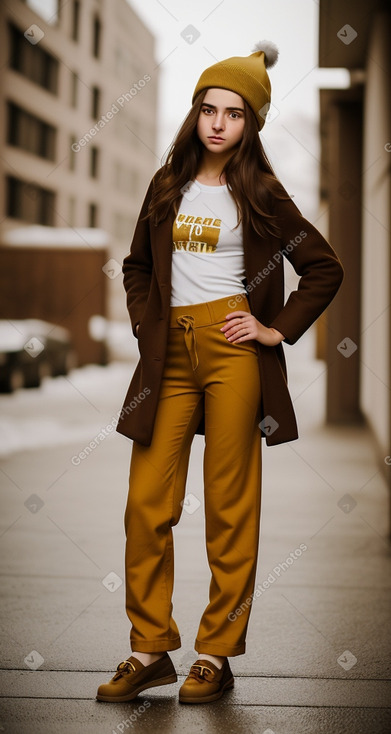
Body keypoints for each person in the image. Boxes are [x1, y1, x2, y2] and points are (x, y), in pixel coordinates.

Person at [96, 41, 344, 705]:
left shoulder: (261, 190)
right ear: (194, 113)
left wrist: (274, 329)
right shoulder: (166, 183)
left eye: (233, 113)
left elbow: (323, 269)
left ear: (250, 124)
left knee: (230, 509)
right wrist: (147, 325)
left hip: (235, 350)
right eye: (208, 108)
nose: (217, 123)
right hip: (167, 353)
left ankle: (215, 653)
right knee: (147, 506)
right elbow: (136, 266)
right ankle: (149, 649)